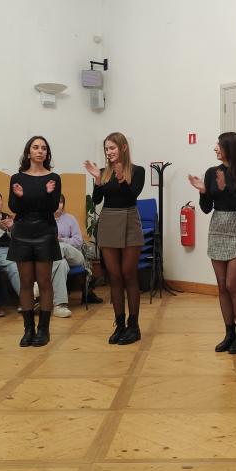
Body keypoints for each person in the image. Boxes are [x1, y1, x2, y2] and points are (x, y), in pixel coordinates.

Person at [188, 132, 236, 354]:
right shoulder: (211, 172)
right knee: (221, 286)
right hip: (218, 228)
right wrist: (203, 192)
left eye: (219, 145)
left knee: (232, 284)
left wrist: (225, 188)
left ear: (230, 148)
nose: (215, 148)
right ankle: (229, 333)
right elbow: (207, 208)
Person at [84, 132, 145, 345]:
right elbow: (97, 200)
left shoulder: (137, 171)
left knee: (129, 275)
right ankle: (119, 325)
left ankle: (133, 326)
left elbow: (131, 196)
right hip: (108, 220)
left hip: (129, 219)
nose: (109, 152)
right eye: (106, 149)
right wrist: (97, 180)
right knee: (115, 276)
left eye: (112, 148)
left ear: (123, 147)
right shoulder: (103, 172)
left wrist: (121, 179)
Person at [9, 135, 61, 347]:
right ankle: (28, 329)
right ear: (28, 152)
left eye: (44, 148)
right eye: (36, 147)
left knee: (45, 281)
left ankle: (44, 330)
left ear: (47, 153)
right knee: (26, 282)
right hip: (22, 231)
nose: (40, 151)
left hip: (45, 231)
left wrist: (48, 194)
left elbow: (51, 208)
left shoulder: (54, 178)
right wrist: (20, 197)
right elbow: (14, 208)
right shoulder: (17, 178)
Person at [51, 193, 99, 315]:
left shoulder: (70, 219)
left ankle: (38, 286)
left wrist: (61, 240)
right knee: (61, 264)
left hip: (75, 256)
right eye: (55, 202)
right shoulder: (44, 221)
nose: (58, 205)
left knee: (60, 246)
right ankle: (60, 305)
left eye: (60, 202)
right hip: (56, 259)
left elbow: (78, 241)